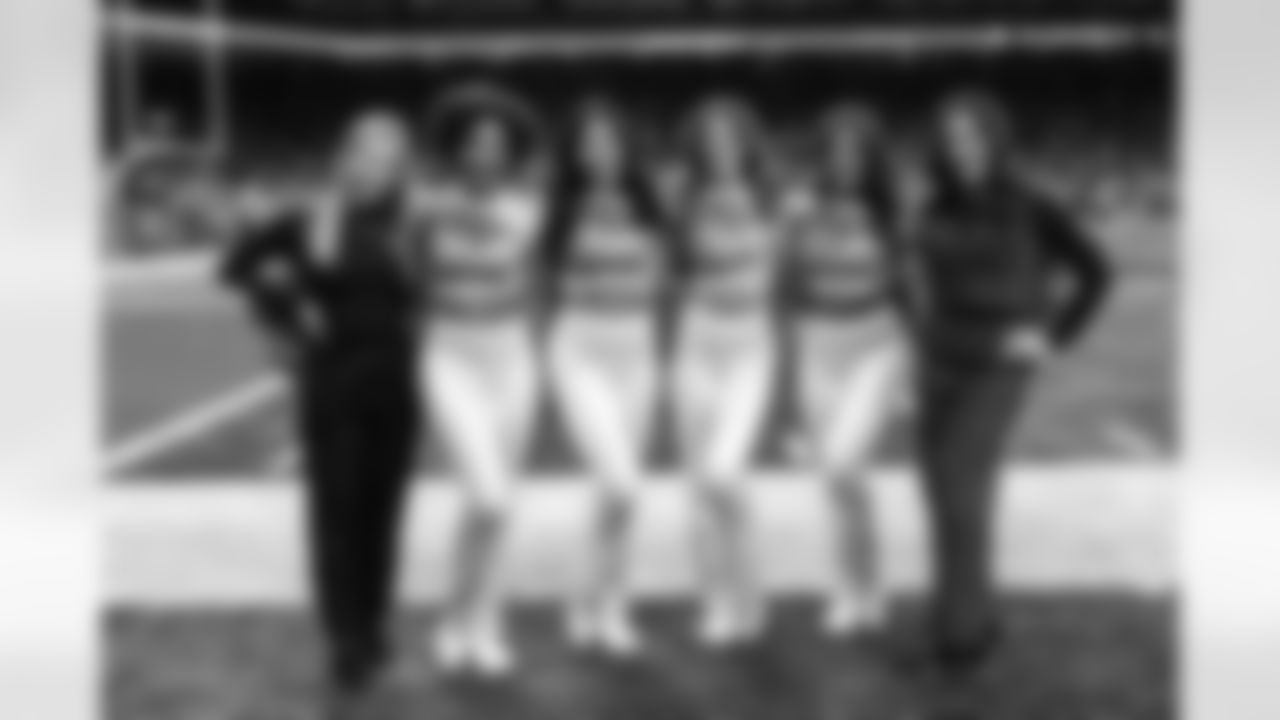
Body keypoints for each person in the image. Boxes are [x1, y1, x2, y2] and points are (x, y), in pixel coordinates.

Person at [219, 110, 425, 714]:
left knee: (383, 517)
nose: (371, 164)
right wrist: (288, 308)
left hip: (395, 386)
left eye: (386, 156)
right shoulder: (311, 219)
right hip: (332, 384)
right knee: (336, 516)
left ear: (399, 168)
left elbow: (438, 292)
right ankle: (345, 638)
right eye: (362, 151)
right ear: (344, 157)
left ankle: (374, 624)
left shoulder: (413, 224)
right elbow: (237, 268)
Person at [905, 91, 1113, 671]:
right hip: (939, 359)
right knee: (946, 498)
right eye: (949, 139)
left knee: (957, 489)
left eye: (971, 137)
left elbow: (1097, 272)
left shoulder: (1032, 205)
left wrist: (1053, 337)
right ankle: (969, 612)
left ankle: (960, 638)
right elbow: (927, 283)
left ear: (995, 141)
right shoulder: (933, 206)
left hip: (998, 360)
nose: (960, 149)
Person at [418, 84, 549, 677]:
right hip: (450, 355)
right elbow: (403, 274)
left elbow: (537, 272)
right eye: (474, 144)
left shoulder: (532, 208)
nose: (485, 155)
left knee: (493, 505)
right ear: (457, 150)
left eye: (497, 146)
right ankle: (455, 615)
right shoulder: (425, 208)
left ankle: (481, 622)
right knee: (488, 493)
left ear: (511, 153)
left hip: (513, 357)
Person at [542, 97, 670, 658]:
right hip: (581, 349)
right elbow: (543, 280)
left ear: (625, 145)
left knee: (611, 492)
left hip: (637, 350)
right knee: (620, 482)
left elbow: (664, 277)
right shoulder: (561, 205)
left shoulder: (649, 204)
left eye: (609, 139)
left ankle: (606, 604)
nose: (600, 151)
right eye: (588, 141)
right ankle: (591, 597)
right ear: (575, 150)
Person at [782, 103, 909, 639]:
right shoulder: (799, 207)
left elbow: (909, 292)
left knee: (841, 463)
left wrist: (912, 376)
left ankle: (869, 583)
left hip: (875, 345)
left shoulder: (889, 210)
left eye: (856, 152)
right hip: (816, 344)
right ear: (821, 155)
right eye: (835, 151)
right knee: (840, 481)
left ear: (871, 157)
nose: (845, 161)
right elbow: (786, 290)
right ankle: (849, 588)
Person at [670, 96, 783, 648]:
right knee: (699, 483)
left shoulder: (772, 197)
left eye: (729, 136)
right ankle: (715, 600)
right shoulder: (685, 199)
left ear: (745, 141)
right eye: (709, 138)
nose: (719, 148)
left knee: (725, 472)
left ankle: (750, 591)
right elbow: (670, 271)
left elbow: (788, 271)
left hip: (750, 345)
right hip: (698, 341)